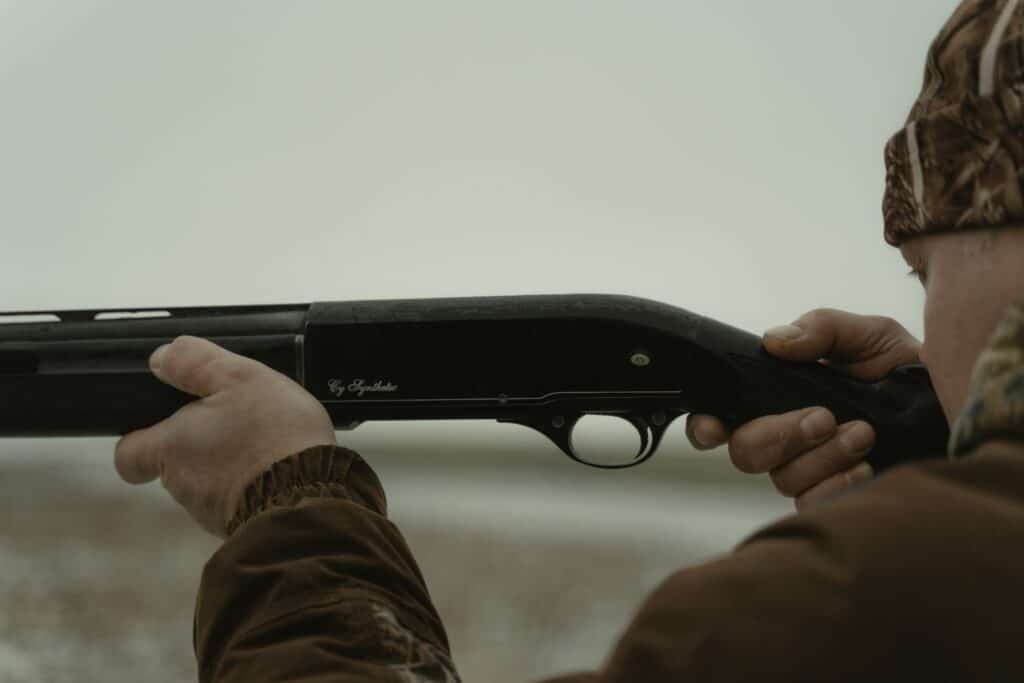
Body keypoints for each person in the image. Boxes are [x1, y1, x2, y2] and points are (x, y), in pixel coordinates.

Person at [114, 1, 1024, 680]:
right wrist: (940, 455)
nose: (922, 310)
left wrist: (290, 504)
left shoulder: (842, 605)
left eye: (923, 272)